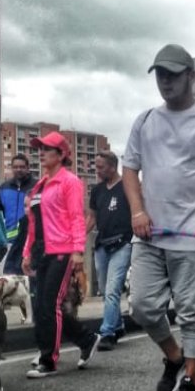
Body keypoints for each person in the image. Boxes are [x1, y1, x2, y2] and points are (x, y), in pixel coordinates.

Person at [123, 43, 195, 391]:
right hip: (150, 233)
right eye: (160, 74)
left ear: (191, 75)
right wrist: (138, 211)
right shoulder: (144, 121)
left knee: (191, 312)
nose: (166, 81)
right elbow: (130, 169)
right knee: (142, 306)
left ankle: (191, 382)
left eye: (173, 74)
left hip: (194, 232)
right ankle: (173, 357)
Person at [21, 131, 97, 377]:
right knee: (43, 304)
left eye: (47, 149)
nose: (41, 153)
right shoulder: (40, 184)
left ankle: (48, 359)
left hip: (63, 249)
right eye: (39, 149)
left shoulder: (70, 181)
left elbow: (77, 217)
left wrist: (78, 251)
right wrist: (27, 253)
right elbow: (33, 223)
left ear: (61, 154)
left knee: (49, 304)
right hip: (42, 250)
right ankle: (86, 339)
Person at [86, 150, 131, 351]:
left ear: (113, 167)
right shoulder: (97, 191)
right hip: (102, 245)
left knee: (113, 290)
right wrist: (78, 238)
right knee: (105, 291)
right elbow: (91, 218)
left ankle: (107, 333)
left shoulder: (128, 187)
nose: (97, 171)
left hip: (122, 244)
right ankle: (118, 325)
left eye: (100, 167)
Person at [0, 153, 36, 276]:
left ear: (28, 168)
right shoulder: (3, 188)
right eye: (16, 167)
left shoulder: (37, 187)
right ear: (12, 168)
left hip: (29, 241)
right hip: (8, 241)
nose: (19, 169)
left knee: (29, 278)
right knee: (8, 278)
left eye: (22, 167)